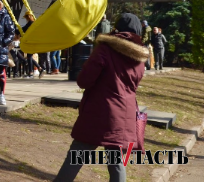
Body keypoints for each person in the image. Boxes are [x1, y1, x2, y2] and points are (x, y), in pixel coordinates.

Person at [54, 13, 149, 182]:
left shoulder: (105, 49)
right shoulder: (140, 58)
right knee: (117, 162)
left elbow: (84, 81)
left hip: (98, 111)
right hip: (124, 115)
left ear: (117, 28)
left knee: (77, 153)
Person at [20, 11, 46, 79]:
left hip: (31, 42)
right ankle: (40, 69)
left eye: (27, 17)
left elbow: (23, 29)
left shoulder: (30, 23)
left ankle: (31, 73)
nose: (27, 18)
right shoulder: (33, 23)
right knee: (29, 57)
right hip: (33, 42)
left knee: (29, 57)